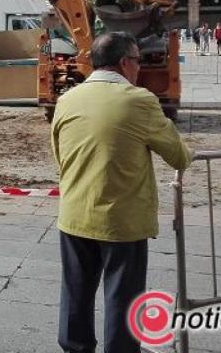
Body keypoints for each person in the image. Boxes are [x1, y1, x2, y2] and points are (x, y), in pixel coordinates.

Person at [51, 32, 191, 353]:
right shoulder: (139, 101)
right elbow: (178, 155)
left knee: (75, 291)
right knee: (122, 295)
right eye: (138, 60)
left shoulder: (67, 99)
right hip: (121, 220)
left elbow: (60, 155)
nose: (139, 67)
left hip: (74, 213)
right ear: (125, 63)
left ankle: (75, 348)